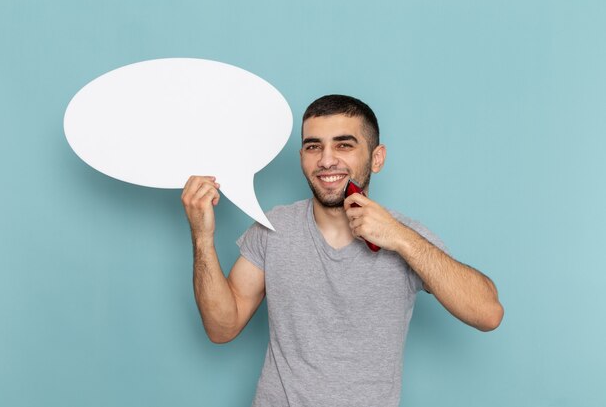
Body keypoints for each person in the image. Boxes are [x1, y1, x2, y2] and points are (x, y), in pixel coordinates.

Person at [181, 94, 504, 407]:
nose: (326, 159)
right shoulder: (273, 228)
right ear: (302, 157)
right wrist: (202, 236)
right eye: (313, 146)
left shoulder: (407, 236)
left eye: (344, 145)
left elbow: (488, 313)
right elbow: (221, 328)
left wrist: (400, 238)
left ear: (376, 158)